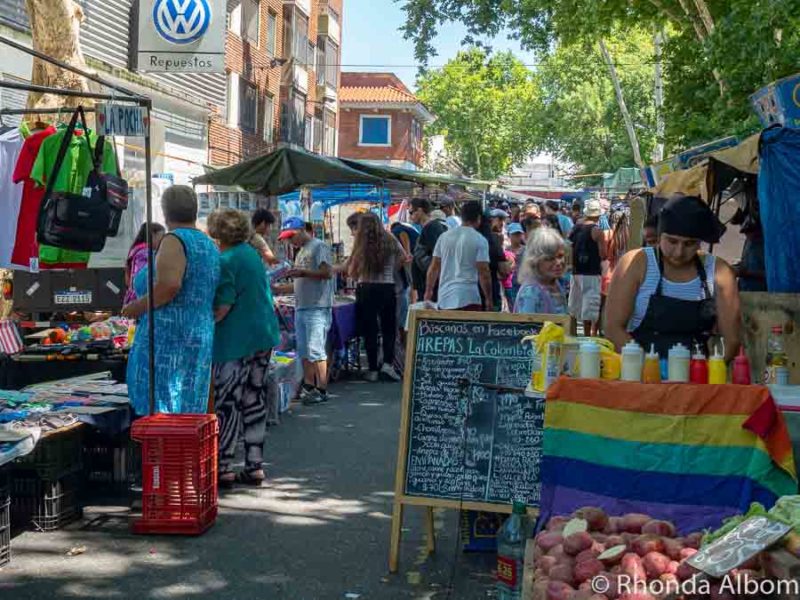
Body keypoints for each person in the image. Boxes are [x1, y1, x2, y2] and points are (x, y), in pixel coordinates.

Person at [122, 185, 221, 416]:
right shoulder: (208, 244)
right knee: (189, 404)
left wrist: (136, 307)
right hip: (197, 331)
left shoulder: (175, 240)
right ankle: (185, 450)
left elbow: (170, 285)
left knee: (165, 408)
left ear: (165, 213)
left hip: (171, 339)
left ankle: (166, 451)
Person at [605, 195, 741, 361]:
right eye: (672, 241)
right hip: (640, 373)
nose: (679, 252)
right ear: (659, 235)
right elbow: (613, 328)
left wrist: (709, 372)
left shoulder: (719, 272)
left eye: (689, 244)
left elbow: (732, 340)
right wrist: (650, 368)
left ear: (699, 243)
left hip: (696, 373)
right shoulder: (636, 264)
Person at [207, 209, 281, 488]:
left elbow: (223, 307)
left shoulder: (225, 260)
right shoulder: (251, 254)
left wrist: (203, 320)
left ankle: (224, 465)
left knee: (228, 402)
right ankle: (255, 465)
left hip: (235, 340)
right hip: (263, 335)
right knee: (254, 398)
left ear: (218, 232)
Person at [276, 217, 334, 404]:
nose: (290, 241)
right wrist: (279, 288)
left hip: (317, 306)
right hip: (302, 306)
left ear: (302, 230)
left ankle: (322, 388)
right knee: (304, 350)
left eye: (292, 236)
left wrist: (303, 273)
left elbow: (327, 273)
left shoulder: (318, 246)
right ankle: (309, 385)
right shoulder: (301, 251)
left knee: (316, 350)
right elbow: (300, 283)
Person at [348, 213, 408, 382]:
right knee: (389, 327)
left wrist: (357, 274)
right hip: (387, 287)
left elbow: (352, 270)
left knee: (370, 329)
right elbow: (403, 257)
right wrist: (391, 269)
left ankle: (373, 368)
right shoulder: (389, 238)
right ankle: (388, 364)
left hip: (366, 287)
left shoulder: (360, 242)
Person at [425, 201, 492, 311]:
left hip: (445, 298)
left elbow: (434, 267)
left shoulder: (444, 237)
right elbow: (484, 271)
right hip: (469, 298)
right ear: (479, 218)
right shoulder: (480, 240)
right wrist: (488, 298)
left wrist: (428, 291)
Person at [568, 199, 606, 336]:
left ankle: (572, 335)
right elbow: (603, 254)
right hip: (591, 273)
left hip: (576, 271)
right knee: (589, 310)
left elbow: (569, 246)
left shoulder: (576, 228)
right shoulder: (597, 231)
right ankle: (587, 338)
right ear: (598, 216)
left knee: (574, 307)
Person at [514, 227, 568, 315]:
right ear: (535, 261)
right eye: (550, 258)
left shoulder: (555, 283)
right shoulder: (531, 292)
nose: (558, 262)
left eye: (560, 256)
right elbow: (528, 326)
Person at [410, 198, 448, 302]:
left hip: (430, 285)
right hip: (427, 283)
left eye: (411, 212)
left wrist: (429, 287)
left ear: (420, 210)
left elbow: (438, 257)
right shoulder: (430, 228)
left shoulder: (431, 228)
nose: (410, 216)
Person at [124, 223, 165, 305]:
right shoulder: (145, 253)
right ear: (153, 235)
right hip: (140, 301)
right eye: (162, 237)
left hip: (133, 299)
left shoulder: (136, 251)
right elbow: (144, 282)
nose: (163, 241)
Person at [506, 222, 526, 308]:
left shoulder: (526, 250)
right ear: (509, 235)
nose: (517, 237)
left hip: (523, 283)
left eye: (519, 234)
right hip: (510, 284)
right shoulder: (506, 250)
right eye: (514, 234)